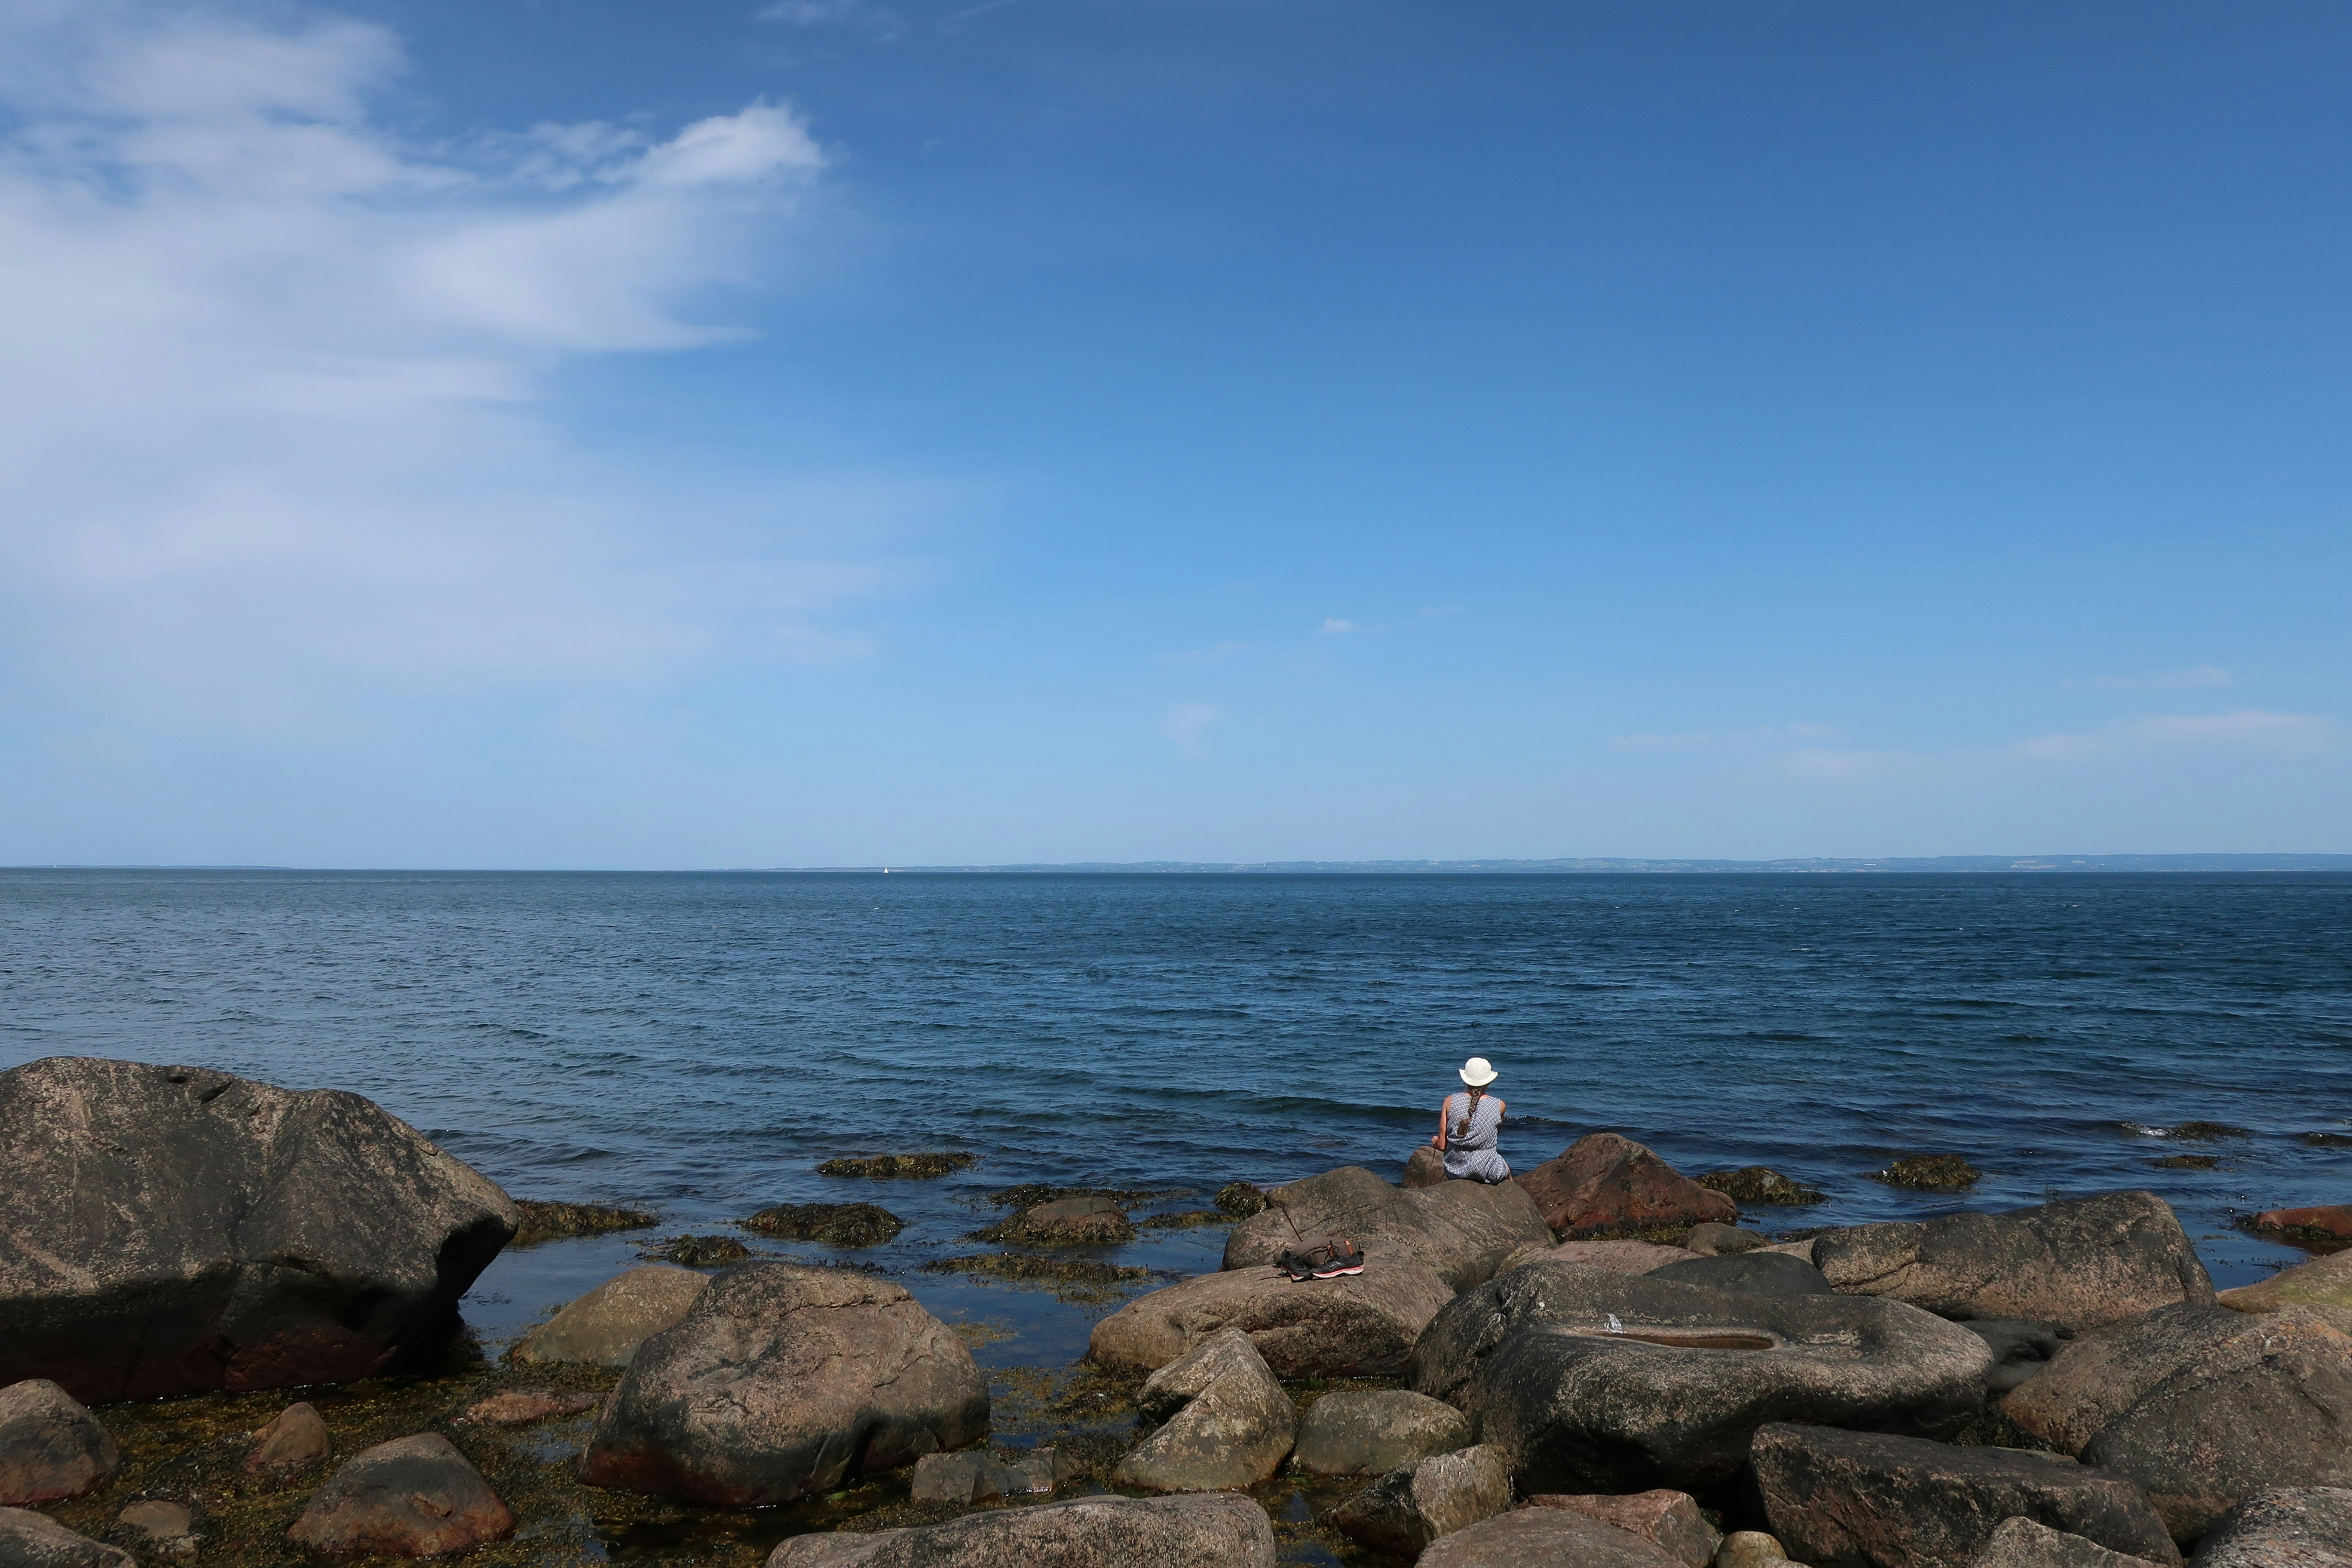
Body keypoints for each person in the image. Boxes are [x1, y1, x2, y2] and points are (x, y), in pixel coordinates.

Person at [1432, 1056, 1508, 1182]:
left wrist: (1436, 1142)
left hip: (1455, 1168)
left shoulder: (1450, 1101)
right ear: (1489, 1082)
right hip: (1486, 1168)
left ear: (1465, 1080)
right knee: (1507, 1171)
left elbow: (1442, 1145)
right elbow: (1493, 1135)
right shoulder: (1499, 1105)